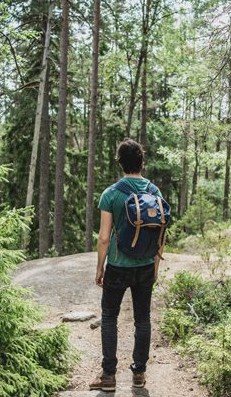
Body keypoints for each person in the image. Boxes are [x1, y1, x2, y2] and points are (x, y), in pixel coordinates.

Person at [89, 139, 163, 392]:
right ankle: (139, 374)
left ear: (119, 163)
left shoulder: (111, 194)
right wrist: (155, 266)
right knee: (142, 319)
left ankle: (108, 376)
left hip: (118, 266)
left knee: (110, 316)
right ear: (142, 162)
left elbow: (104, 237)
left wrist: (100, 267)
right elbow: (160, 236)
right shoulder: (155, 193)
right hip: (144, 265)